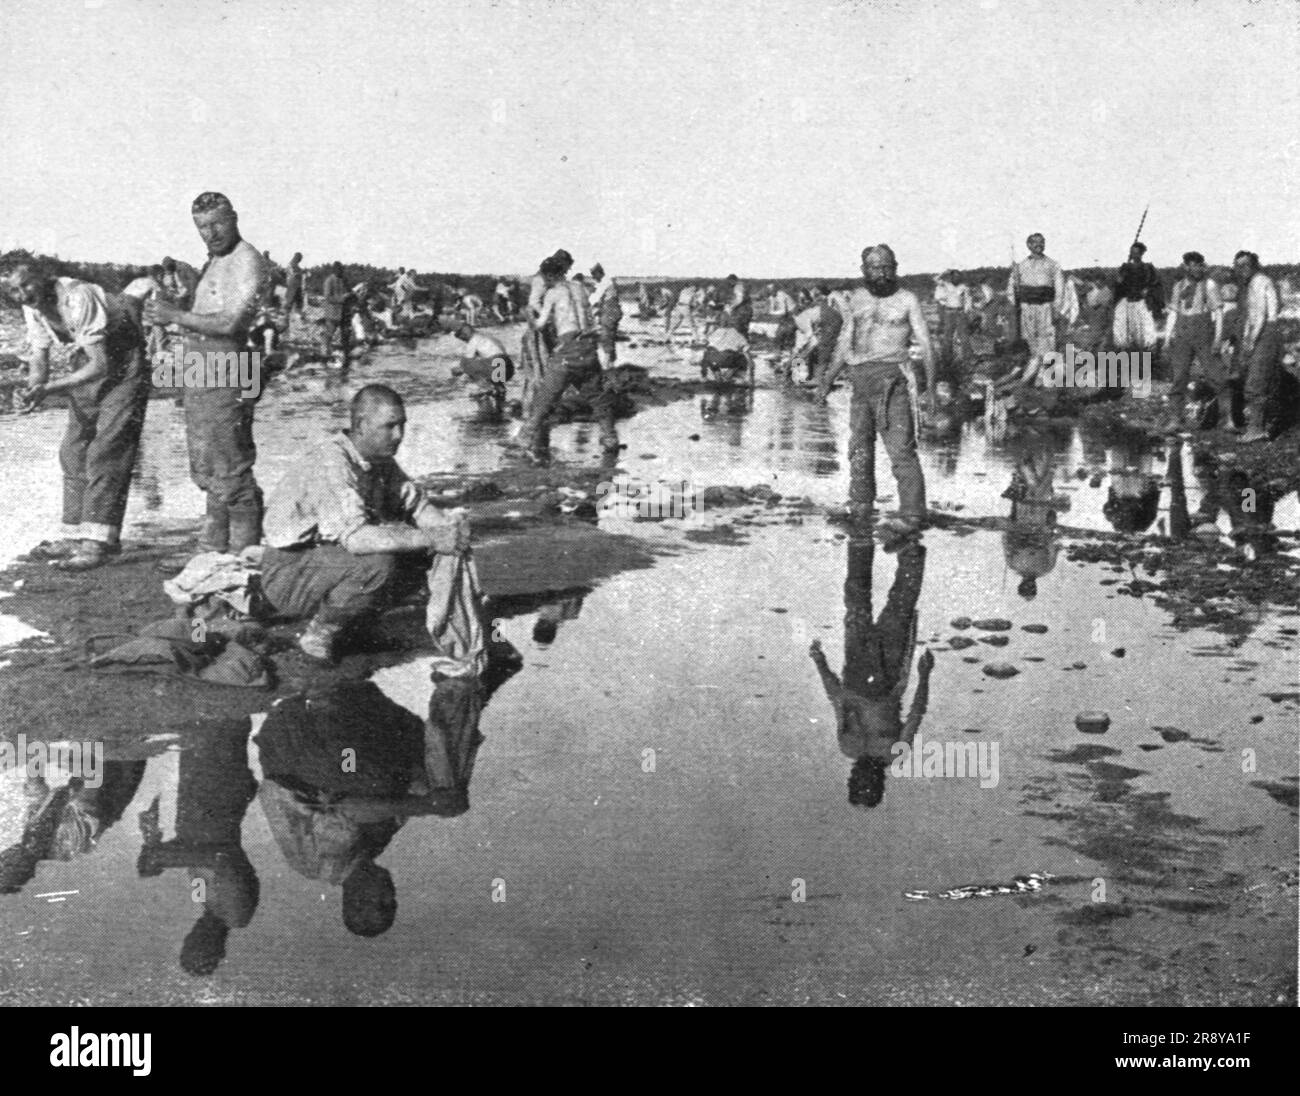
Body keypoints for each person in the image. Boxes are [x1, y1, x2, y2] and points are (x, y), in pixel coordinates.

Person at [260, 384, 470, 660]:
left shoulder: (379, 460)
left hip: (325, 561)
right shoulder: (332, 462)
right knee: (378, 563)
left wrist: (449, 528)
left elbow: (417, 506)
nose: (399, 436)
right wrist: (433, 538)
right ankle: (320, 631)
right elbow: (357, 539)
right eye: (390, 426)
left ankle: (355, 625)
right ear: (360, 424)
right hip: (288, 572)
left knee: (419, 549)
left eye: (402, 425)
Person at [0, 254, 150, 570]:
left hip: (123, 363)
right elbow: (40, 358)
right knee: (72, 449)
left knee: (106, 450)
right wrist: (32, 390)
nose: (24, 294)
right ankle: (73, 534)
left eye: (27, 284)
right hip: (88, 362)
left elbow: (102, 364)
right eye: (14, 291)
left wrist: (50, 388)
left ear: (41, 276)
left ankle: (98, 541)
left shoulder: (78, 296)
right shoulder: (34, 309)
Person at [143, 192, 270, 553]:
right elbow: (208, 312)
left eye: (217, 223)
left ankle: (244, 558)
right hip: (201, 364)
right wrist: (176, 312)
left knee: (230, 464)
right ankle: (213, 548)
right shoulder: (215, 260)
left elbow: (232, 321)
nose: (210, 233)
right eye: (202, 227)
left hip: (229, 364)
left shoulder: (248, 260)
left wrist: (175, 317)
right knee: (209, 465)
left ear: (234, 217)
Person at [817, 244, 936, 542]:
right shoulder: (856, 299)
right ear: (863, 270)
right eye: (874, 267)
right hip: (860, 380)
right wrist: (826, 381)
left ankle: (912, 514)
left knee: (901, 449)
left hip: (893, 379)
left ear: (895, 267)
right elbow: (846, 341)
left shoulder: (907, 300)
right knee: (859, 446)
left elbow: (926, 343)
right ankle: (859, 506)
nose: (881, 272)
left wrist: (931, 388)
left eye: (886, 266)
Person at [809, 534, 932, 809]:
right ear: (879, 784)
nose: (862, 778)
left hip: (855, 668)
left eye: (857, 783)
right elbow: (915, 713)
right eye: (868, 786)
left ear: (850, 779)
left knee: (856, 601)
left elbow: (837, 700)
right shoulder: (895, 754)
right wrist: (924, 676)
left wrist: (820, 662)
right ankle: (910, 549)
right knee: (900, 607)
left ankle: (860, 540)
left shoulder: (848, 747)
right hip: (889, 674)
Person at [515, 254, 619, 459]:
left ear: (549, 275)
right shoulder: (580, 287)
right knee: (597, 397)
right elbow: (586, 315)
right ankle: (610, 438)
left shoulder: (553, 293)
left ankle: (524, 438)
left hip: (567, 351)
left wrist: (528, 314)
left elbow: (540, 324)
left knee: (545, 397)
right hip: (588, 347)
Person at [1162, 251, 1224, 432]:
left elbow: (1218, 313)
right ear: (1186, 266)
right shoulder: (1179, 286)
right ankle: (1176, 420)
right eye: (1192, 265)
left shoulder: (1209, 285)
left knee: (1216, 376)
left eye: (1199, 264)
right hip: (1182, 333)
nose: (1196, 268)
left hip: (1203, 332)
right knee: (1179, 377)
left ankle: (1227, 419)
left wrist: (1218, 339)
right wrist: (1167, 338)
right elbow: (1174, 312)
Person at [1230, 250, 1283, 442]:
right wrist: (1246, 339)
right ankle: (1259, 426)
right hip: (1259, 332)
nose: (1242, 269)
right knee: (1253, 382)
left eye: (1246, 265)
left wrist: (1251, 342)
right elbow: (1251, 317)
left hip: (1266, 333)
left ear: (1254, 264)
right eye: (1238, 266)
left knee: (1256, 384)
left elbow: (1260, 315)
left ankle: (1257, 429)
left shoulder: (1259, 281)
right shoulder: (1250, 284)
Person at [1009, 233, 1066, 373]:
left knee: (1046, 337)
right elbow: (1011, 288)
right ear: (1028, 245)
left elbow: (1059, 289)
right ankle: (1034, 364)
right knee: (1030, 337)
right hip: (1027, 306)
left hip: (1045, 306)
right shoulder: (1021, 266)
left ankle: (1048, 370)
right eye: (1034, 242)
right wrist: (1017, 302)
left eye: (1041, 242)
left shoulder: (1053, 265)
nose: (1038, 245)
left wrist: (1056, 308)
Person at [1112, 241, 1164, 352]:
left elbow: (1155, 284)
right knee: (1123, 328)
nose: (1134, 254)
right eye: (1132, 252)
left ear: (1141, 254)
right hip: (1127, 302)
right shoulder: (1125, 267)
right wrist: (1119, 281)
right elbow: (1119, 286)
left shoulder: (1148, 268)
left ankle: (1148, 351)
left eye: (1136, 252)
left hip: (1141, 302)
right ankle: (1124, 350)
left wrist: (1148, 290)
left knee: (1145, 329)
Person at [451, 322, 514, 410]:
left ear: (464, 334)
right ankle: (500, 396)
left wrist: (456, 371)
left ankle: (484, 389)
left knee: (468, 366)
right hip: (508, 366)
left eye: (461, 338)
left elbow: (465, 363)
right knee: (489, 370)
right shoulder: (488, 336)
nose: (463, 340)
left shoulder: (473, 340)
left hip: (495, 364)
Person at [932, 270, 973, 379]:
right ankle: (947, 358)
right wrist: (944, 272)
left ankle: (968, 358)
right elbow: (935, 279)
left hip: (960, 312)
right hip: (949, 312)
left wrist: (966, 311)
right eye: (954, 276)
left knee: (963, 335)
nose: (956, 278)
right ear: (950, 277)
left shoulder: (964, 287)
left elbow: (968, 300)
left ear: (960, 278)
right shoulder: (946, 285)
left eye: (958, 276)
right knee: (947, 336)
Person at [588, 262, 622, 369]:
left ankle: (606, 365)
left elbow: (594, 299)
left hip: (609, 312)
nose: (594, 278)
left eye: (594, 275)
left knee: (606, 337)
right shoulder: (608, 281)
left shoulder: (605, 282)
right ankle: (611, 365)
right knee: (610, 337)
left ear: (599, 273)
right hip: (613, 312)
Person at [320, 261, 353, 361]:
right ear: (335, 270)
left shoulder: (344, 279)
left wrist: (350, 295)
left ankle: (346, 352)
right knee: (329, 333)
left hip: (344, 312)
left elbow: (349, 291)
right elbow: (328, 297)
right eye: (339, 270)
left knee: (346, 333)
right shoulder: (329, 281)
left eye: (342, 269)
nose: (341, 272)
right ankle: (324, 351)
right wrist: (342, 298)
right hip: (332, 312)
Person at [767, 283, 798, 380]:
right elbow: (773, 310)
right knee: (779, 335)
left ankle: (785, 358)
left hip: (793, 316)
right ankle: (780, 356)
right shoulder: (772, 297)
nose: (770, 293)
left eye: (771, 291)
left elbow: (783, 311)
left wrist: (771, 313)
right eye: (769, 291)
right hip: (785, 318)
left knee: (784, 334)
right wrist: (771, 313)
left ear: (775, 289)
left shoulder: (781, 295)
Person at [282, 252, 306, 325]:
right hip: (291, 287)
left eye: (300, 259)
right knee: (288, 305)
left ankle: (299, 320)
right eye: (299, 258)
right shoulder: (290, 265)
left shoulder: (297, 267)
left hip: (297, 288)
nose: (300, 260)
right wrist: (300, 273)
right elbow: (292, 274)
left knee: (298, 305)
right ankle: (285, 321)